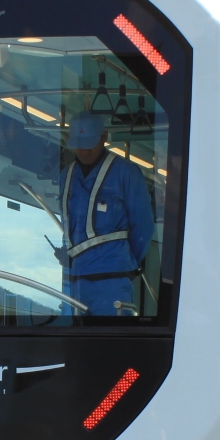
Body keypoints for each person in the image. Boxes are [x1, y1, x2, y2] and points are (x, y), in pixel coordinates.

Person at [58, 113, 155, 316]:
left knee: (109, 335)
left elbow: (143, 226)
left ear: (104, 136)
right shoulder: (66, 176)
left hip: (112, 281)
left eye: (89, 144)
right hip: (73, 280)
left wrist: (124, 262)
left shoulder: (126, 173)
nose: (84, 150)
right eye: (79, 145)